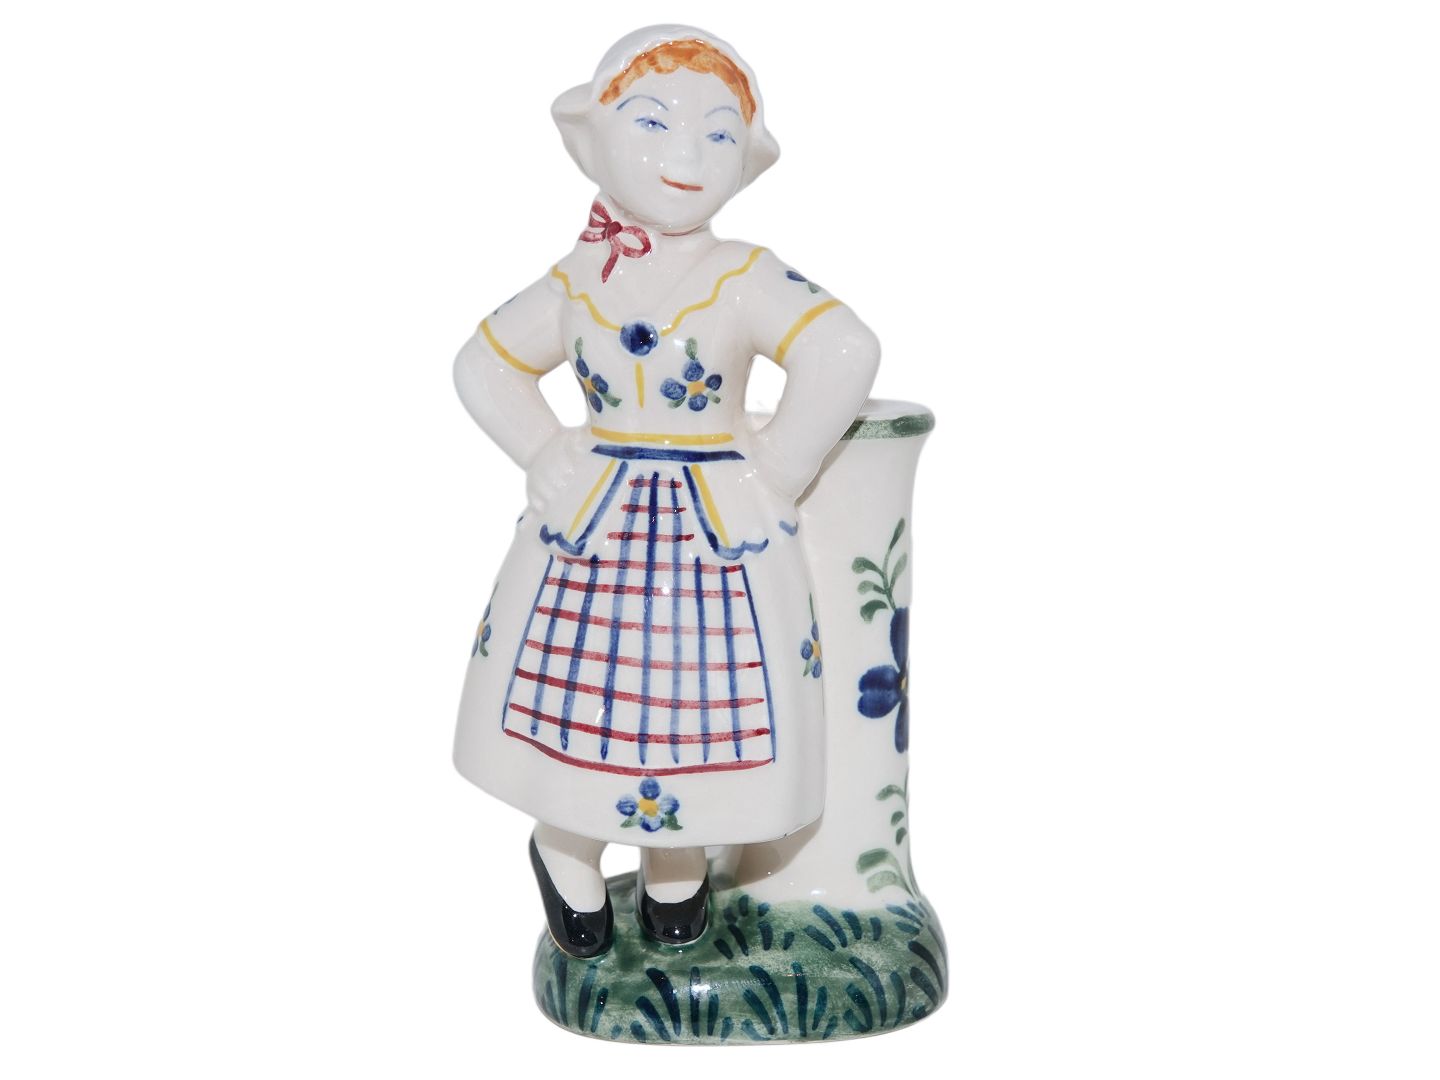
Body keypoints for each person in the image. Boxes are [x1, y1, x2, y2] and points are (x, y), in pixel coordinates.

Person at [452, 24, 881, 956]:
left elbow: (844, 349)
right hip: (595, 520)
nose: (686, 155)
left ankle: (673, 853)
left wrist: (780, 466)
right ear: (592, 138)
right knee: (582, 686)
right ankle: (568, 842)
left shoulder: (742, 274)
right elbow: (482, 364)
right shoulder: (577, 280)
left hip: (713, 525)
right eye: (653, 123)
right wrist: (540, 447)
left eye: (719, 134)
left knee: (698, 690)